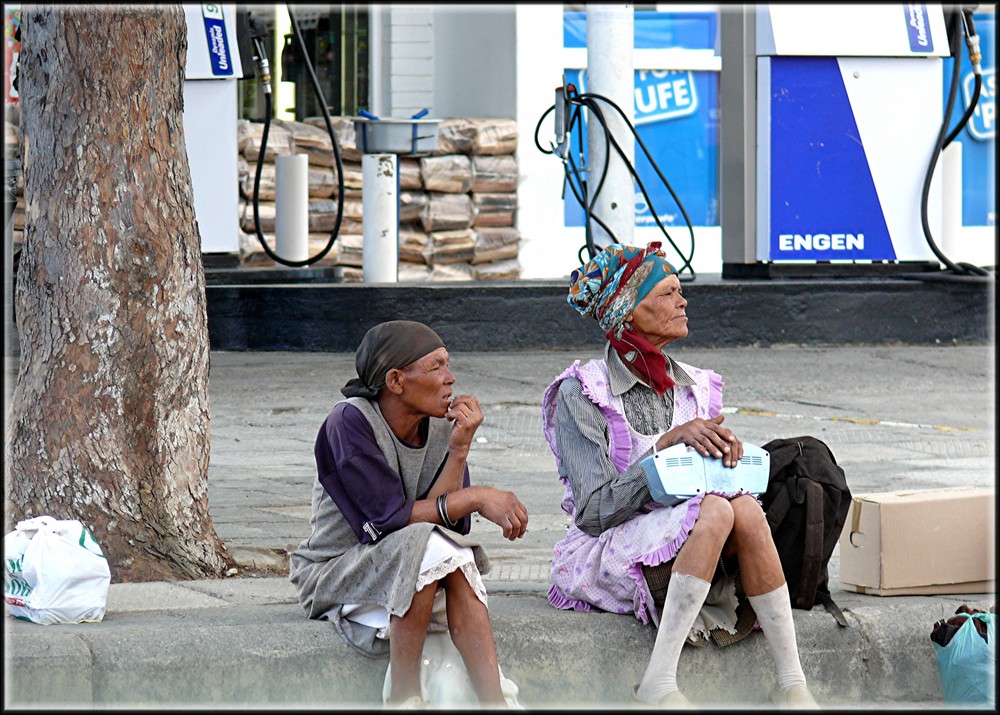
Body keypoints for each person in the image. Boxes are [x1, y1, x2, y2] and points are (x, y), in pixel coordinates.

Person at [540, 243, 818, 709]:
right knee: (713, 509)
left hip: (693, 536)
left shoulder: (696, 384)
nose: (683, 301)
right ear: (627, 315)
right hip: (609, 547)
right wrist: (661, 455)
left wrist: (725, 460)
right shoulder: (582, 392)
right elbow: (592, 513)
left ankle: (792, 680)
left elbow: (705, 484)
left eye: (680, 291)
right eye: (667, 294)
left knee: (745, 507)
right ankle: (658, 681)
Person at [289, 320, 529, 708]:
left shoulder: (437, 425)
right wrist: (475, 496)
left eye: (447, 365)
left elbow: (441, 524)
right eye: (436, 367)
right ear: (396, 380)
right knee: (425, 545)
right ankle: (403, 697)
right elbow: (388, 522)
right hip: (338, 573)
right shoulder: (348, 423)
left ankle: (495, 704)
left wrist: (459, 450)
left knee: (452, 559)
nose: (450, 378)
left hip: (412, 571)